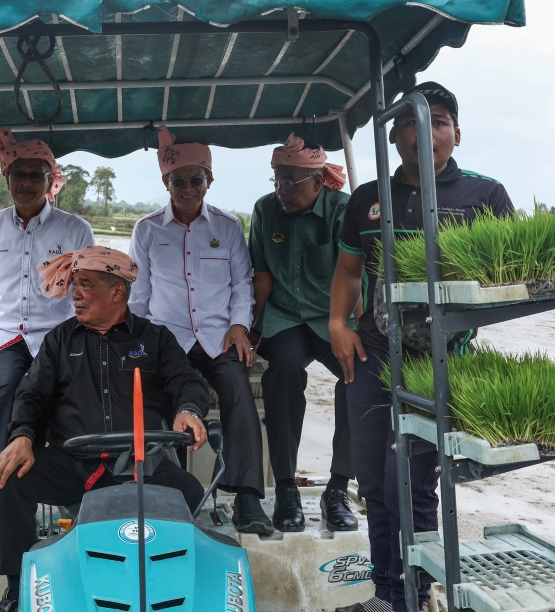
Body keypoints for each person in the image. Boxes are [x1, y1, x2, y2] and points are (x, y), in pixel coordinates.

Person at [330, 83, 514, 612]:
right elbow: (347, 270)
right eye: (412, 121)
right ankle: (386, 596)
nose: (425, 132)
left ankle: (416, 594)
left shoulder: (484, 196)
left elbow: (511, 277)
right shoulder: (368, 199)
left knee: (409, 485)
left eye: (438, 121)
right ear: (395, 134)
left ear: (456, 133)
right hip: (370, 357)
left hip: (439, 363)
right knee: (373, 483)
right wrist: (337, 324)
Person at [0, 246, 210, 612]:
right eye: (74, 284)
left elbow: (188, 382)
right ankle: (16, 587)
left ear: (117, 291)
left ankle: (164, 589)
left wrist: (188, 410)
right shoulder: (60, 340)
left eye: (85, 285)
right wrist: (23, 436)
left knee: (188, 489)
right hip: (74, 465)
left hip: (143, 465)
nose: (74, 293)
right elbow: (31, 396)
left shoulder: (155, 339)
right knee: (7, 476)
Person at [0, 125, 94, 531]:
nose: (27, 183)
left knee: (72, 397)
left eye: (36, 175)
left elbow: (85, 292)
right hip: (6, 338)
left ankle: (73, 491)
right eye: (19, 174)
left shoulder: (74, 229)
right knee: (2, 396)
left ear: (51, 180)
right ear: (5, 177)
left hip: (59, 337)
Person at [128, 126, 272, 536]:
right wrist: (136, 342)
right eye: (179, 180)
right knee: (146, 397)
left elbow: (241, 284)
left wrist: (240, 326)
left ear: (209, 180)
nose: (187, 188)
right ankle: (161, 492)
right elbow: (139, 295)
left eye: (196, 179)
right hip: (164, 339)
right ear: (165, 182)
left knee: (238, 392)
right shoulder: (147, 229)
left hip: (216, 337)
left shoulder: (226, 227)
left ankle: (247, 499)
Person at [249, 133, 358, 533]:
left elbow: (357, 276)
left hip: (334, 317)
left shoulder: (344, 210)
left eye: (290, 181)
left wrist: (354, 330)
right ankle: (285, 489)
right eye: (277, 179)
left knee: (357, 375)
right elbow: (262, 278)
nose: (281, 190)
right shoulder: (265, 211)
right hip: (285, 317)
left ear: (318, 180)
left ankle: (339, 488)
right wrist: (249, 331)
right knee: (283, 371)